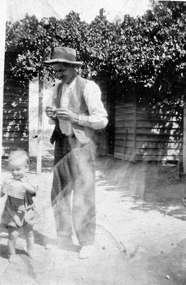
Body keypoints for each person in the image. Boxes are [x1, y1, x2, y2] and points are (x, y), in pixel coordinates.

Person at [44, 46, 108, 259]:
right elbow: (59, 114)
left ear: (72, 68)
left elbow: (101, 120)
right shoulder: (58, 88)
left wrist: (75, 118)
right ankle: (63, 237)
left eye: (61, 70)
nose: (58, 74)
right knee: (59, 192)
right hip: (62, 143)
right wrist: (52, 113)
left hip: (81, 146)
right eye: (56, 71)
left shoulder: (88, 87)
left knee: (83, 193)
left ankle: (86, 241)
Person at [0, 149, 37, 262]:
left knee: (29, 233)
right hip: (12, 212)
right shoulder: (9, 180)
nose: (15, 172)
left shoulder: (28, 180)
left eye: (18, 169)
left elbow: (33, 191)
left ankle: (30, 250)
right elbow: (1, 194)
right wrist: (2, 187)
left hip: (27, 211)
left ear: (26, 168)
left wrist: (25, 185)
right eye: (12, 170)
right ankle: (12, 254)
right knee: (13, 235)